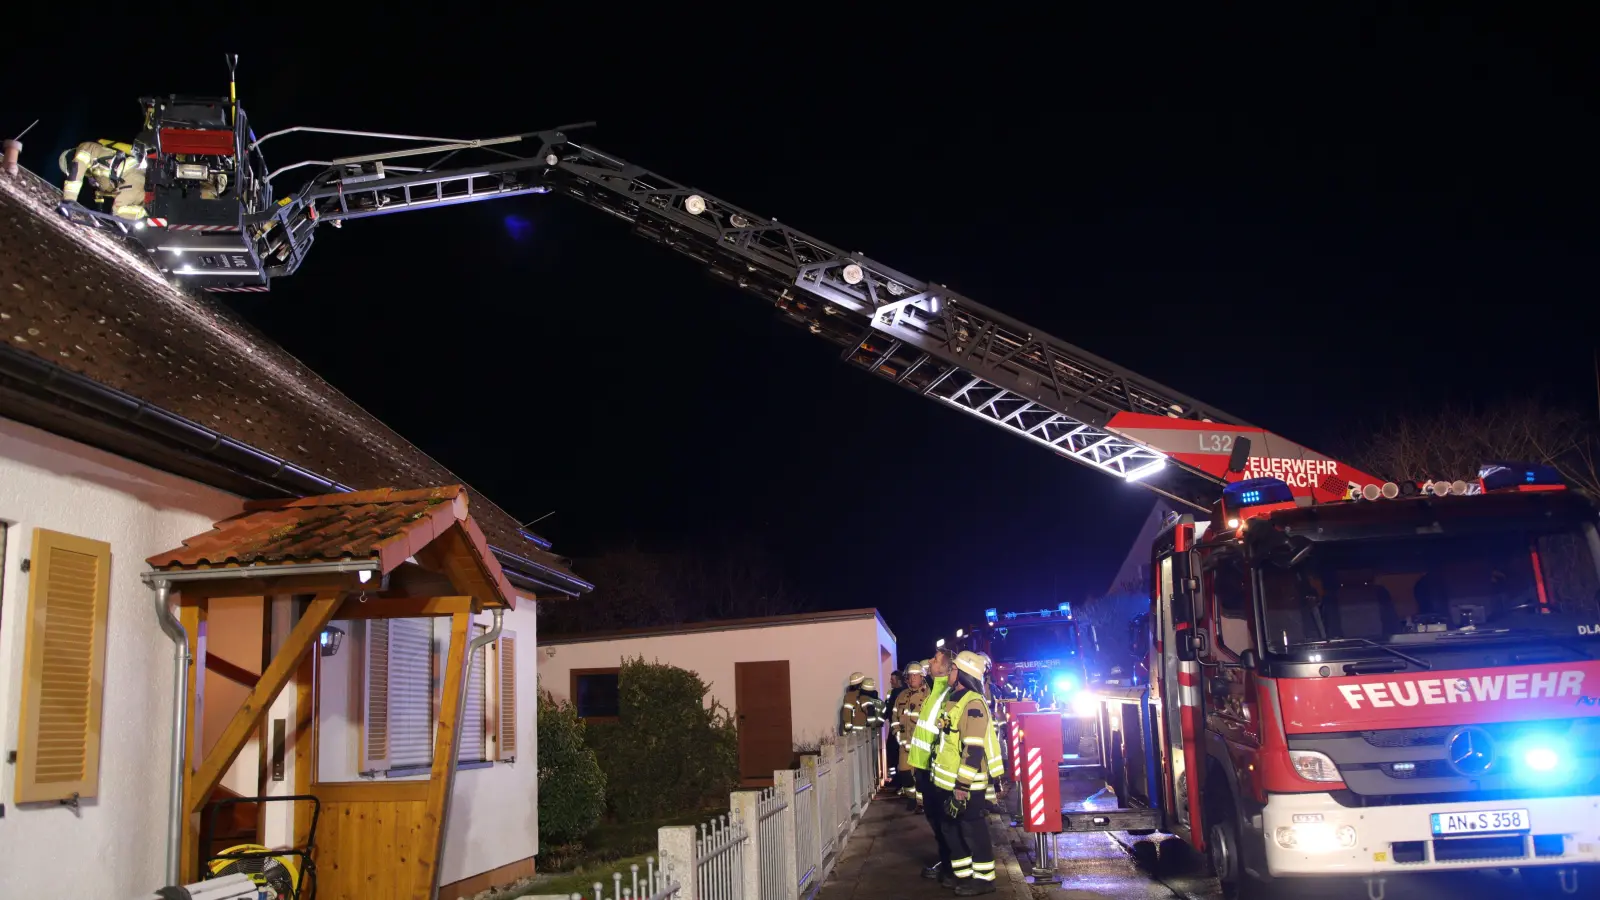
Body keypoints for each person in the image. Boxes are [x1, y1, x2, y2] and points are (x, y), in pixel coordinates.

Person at [932, 651, 1001, 894]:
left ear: (962, 673)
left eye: (952, 669)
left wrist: (961, 788)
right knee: (950, 828)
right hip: (949, 780)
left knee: (973, 828)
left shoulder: (973, 703)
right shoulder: (955, 698)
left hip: (966, 784)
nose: (949, 672)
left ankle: (984, 880)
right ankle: (964, 876)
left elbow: (973, 749)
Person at [906, 648, 956, 884]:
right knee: (935, 820)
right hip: (923, 767)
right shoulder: (935, 691)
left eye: (936, 660)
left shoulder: (946, 694)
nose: (930, 661)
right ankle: (946, 861)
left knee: (942, 821)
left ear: (946, 669)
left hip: (933, 770)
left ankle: (950, 865)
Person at [61, 138, 150, 223]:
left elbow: (76, 173)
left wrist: (68, 200)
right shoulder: (95, 167)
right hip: (134, 180)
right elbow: (108, 189)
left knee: (118, 211)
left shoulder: (84, 148)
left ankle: (148, 214)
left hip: (130, 175)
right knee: (136, 209)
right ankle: (152, 213)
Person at [892, 662, 930, 808]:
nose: (913, 678)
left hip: (921, 745)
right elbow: (895, 716)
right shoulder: (902, 696)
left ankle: (921, 803)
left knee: (920, 777)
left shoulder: (928, 696)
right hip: (904, 745)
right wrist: (896, 734)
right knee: (905, 773)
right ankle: (911, 798)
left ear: (922, 677)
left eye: (916, 675)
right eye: (910, 675)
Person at [884, 671, 905, 791]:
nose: (890, 681)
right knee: (895, 754)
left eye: (893, 679)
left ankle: (897, 780)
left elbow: (890, 710)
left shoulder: (897, 693)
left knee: (894, 754)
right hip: (896, 728)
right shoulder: (898, 692)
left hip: (896, 729)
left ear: (898, 680)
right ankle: (896, 779)